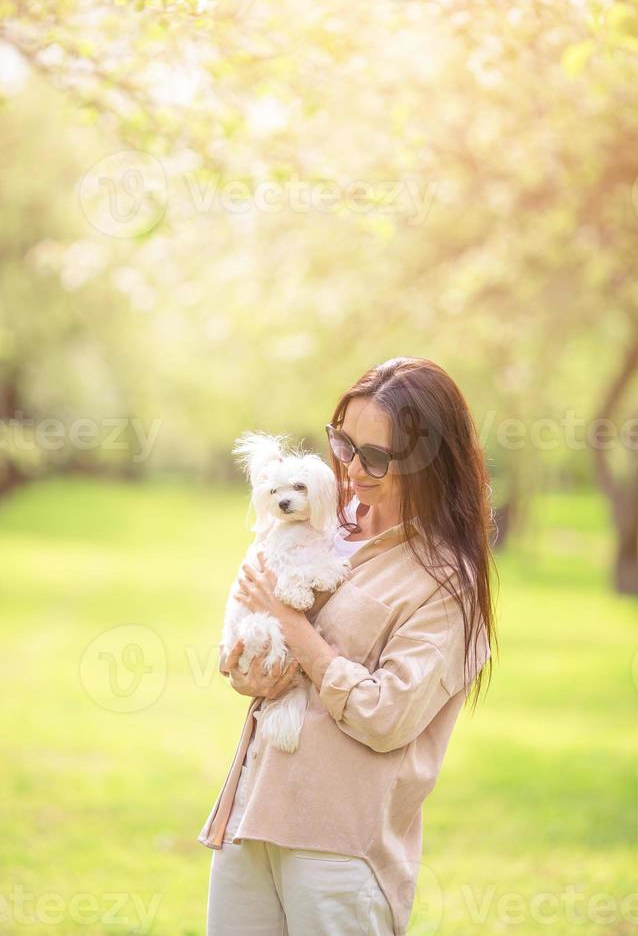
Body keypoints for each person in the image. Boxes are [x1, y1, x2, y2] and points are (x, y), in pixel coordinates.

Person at [199, 356, 498, 935]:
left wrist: (295, 628)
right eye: (343, 444)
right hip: (252, 814)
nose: (351, 468)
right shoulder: (316, 522)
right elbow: (245, 626)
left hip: (339, 850)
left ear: (428, 462)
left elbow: (387, 715)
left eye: (375, 457)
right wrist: (243, 670)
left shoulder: (445, 581)